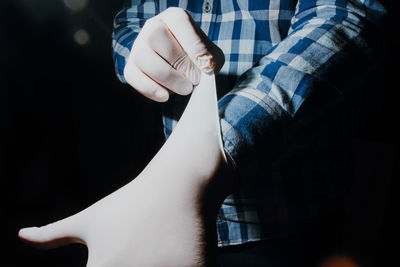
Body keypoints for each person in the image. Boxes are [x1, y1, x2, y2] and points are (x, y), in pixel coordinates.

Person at [18, 0, 386, 266]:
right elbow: (131, 16)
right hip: (160, 207)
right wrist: (135, 50)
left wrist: (199, 157)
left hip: (284, 224)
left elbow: (346, 14)